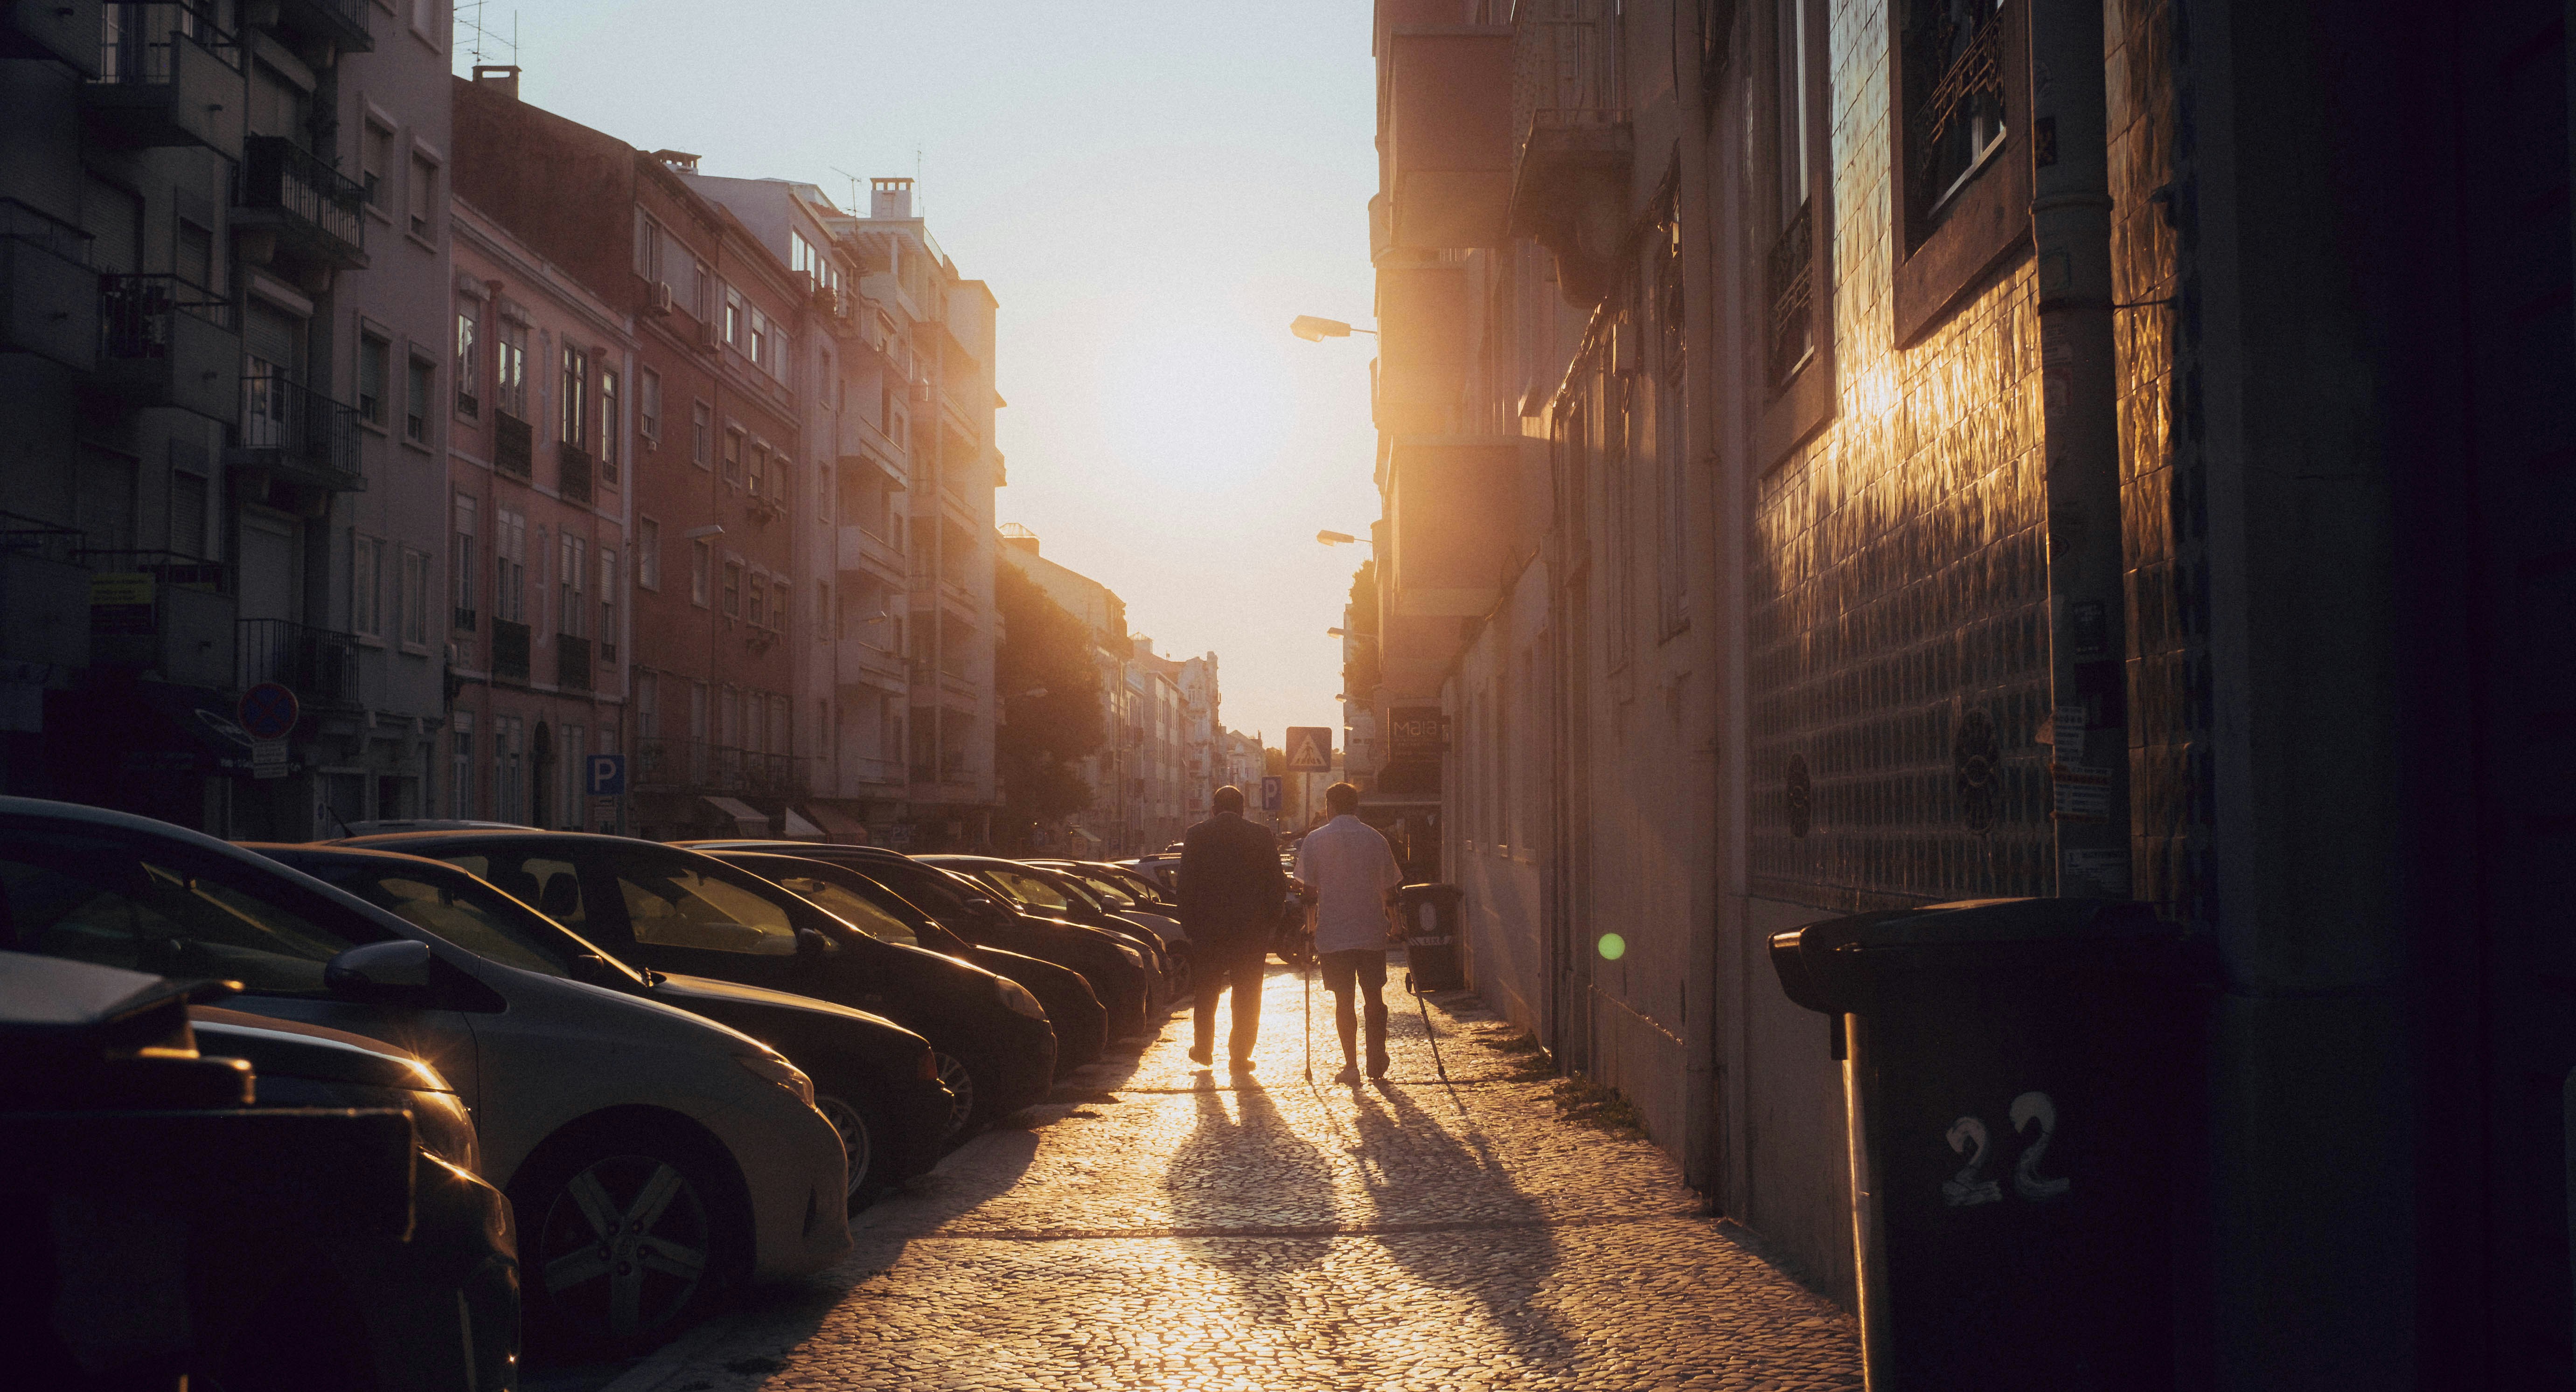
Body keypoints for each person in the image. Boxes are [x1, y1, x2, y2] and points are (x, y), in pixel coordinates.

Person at [1294, 782, 1406, 1085]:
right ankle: (1376, 1058)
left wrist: (1310, 927)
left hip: (1333, 934)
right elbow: (1390, 889)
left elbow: (1308, 892)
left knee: (1343, 1001)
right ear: (1356, 806)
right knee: (1374, 997)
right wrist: (1395, 923)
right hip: (1370, 931)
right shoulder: (1375, 839)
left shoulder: (1315, 840)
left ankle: (1352, 1065)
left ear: (1330, 806)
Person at [1176, 784, 1286, 1070]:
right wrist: (1270, 924)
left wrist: (1190, 925)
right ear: (1242, 809)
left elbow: (1185, 885)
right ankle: (1240, 1055)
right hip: (1251, 932)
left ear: (1213, 809)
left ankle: (1203, 1049)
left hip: (1208, 931)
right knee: (1248, 993)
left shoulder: (1197, 835)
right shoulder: (1261, 836)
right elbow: (1277, 884)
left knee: (1207, 992)